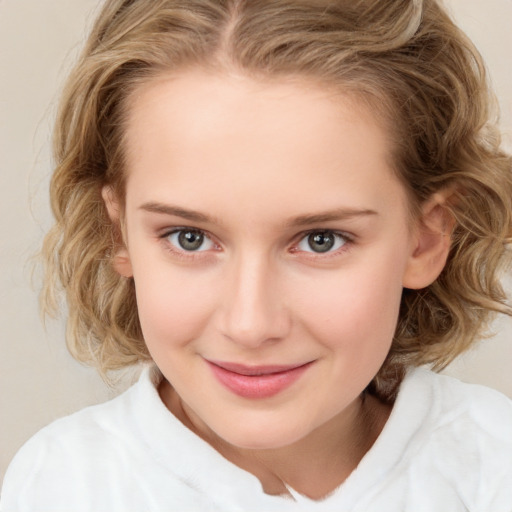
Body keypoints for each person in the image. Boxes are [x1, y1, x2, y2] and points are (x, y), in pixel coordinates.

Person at [2, 0, 512, 510]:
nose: (250, 325)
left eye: (321, 240)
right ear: (120, 235)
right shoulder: (66, 485)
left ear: (424, 239)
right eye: (189, 238)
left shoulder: (492, 464)